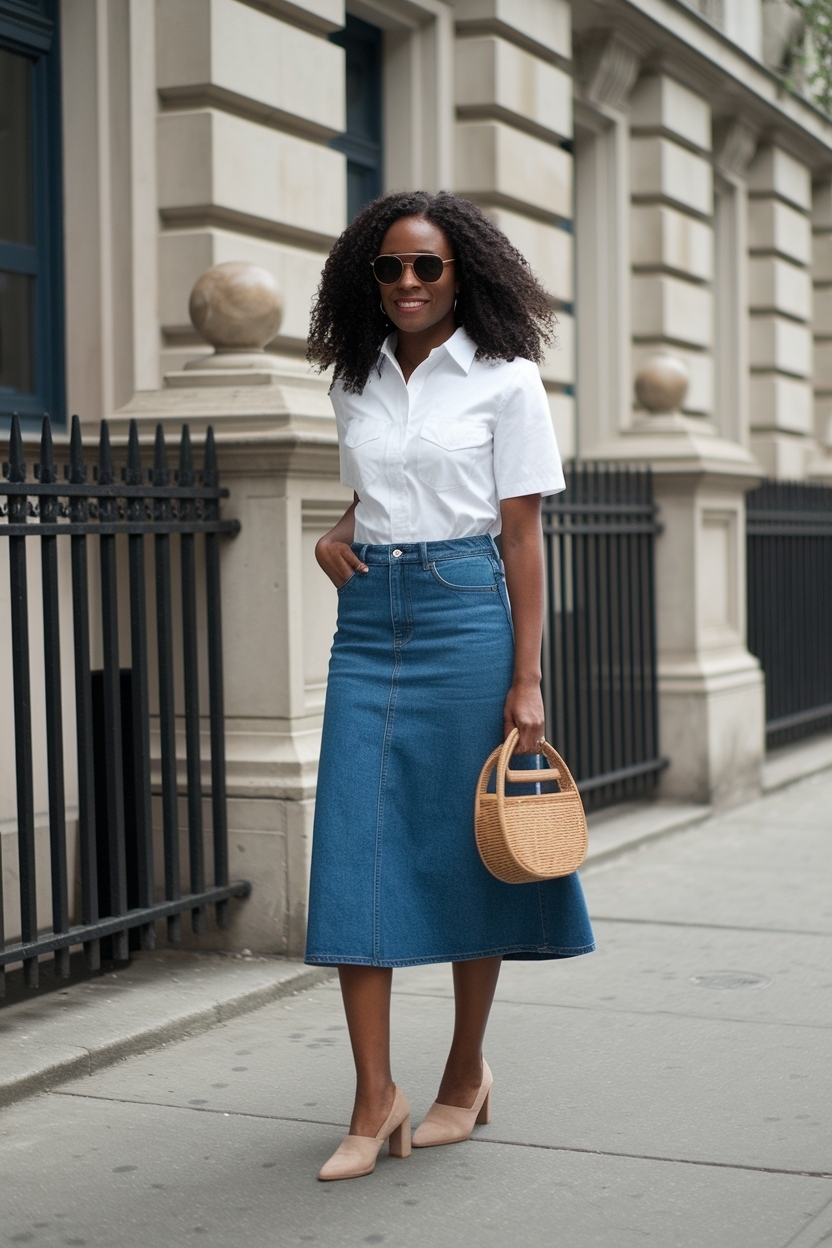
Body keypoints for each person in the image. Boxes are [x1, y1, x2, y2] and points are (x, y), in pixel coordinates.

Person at [305, 191, 594, 1182]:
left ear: (459, 274)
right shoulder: (355, 376)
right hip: (370, 621)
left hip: (467, 609)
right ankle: (371, 1095)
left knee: (473, 850)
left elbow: (519, 535)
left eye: (427, 268)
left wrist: (528, 681)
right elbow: (377, 482)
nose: (410, 284)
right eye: (390, 268)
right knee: (356, 842)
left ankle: (464, 1073)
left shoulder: (506, 380)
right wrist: (341, 529)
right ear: (368, 278)